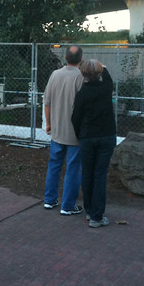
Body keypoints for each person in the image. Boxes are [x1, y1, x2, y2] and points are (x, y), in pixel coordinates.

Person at [71, 59, 116, 228]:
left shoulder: (82, 93)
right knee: (100, 175)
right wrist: (103, 68)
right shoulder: (106, 89)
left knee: (87, 174)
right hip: (106, 135)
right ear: (98, 73)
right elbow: (110, 80)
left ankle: (90, 210)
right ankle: (97, 216)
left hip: (87, 137)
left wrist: (79, 134)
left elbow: (75, 117)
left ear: (83, 74)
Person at [43, 45, 84, 215]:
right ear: (80, 59)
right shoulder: (82, 77)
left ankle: (49, 200)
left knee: (54, 165)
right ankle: (67, 206)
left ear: (65, 57)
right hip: (75, 132)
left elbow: (47, 102)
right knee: (73, 168)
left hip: (57, 130)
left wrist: (49, 124)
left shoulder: (55, 75)